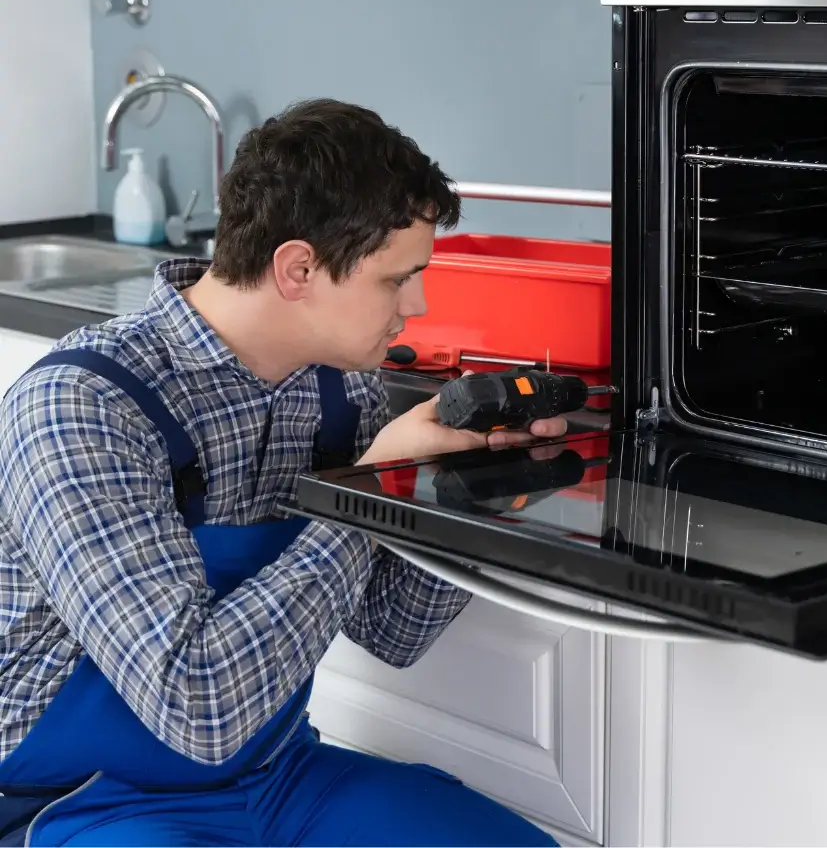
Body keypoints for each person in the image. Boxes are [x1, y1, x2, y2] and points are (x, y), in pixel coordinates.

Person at [0, 99, 566, 847]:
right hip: (73, 798)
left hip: (274, 771)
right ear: (298, 268)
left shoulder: (338, 386)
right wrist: (366, 492)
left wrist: (463, 489)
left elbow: (392, 630)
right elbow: (197, 707)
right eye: (398, 279)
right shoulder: (83, 407)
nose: (418, 305)